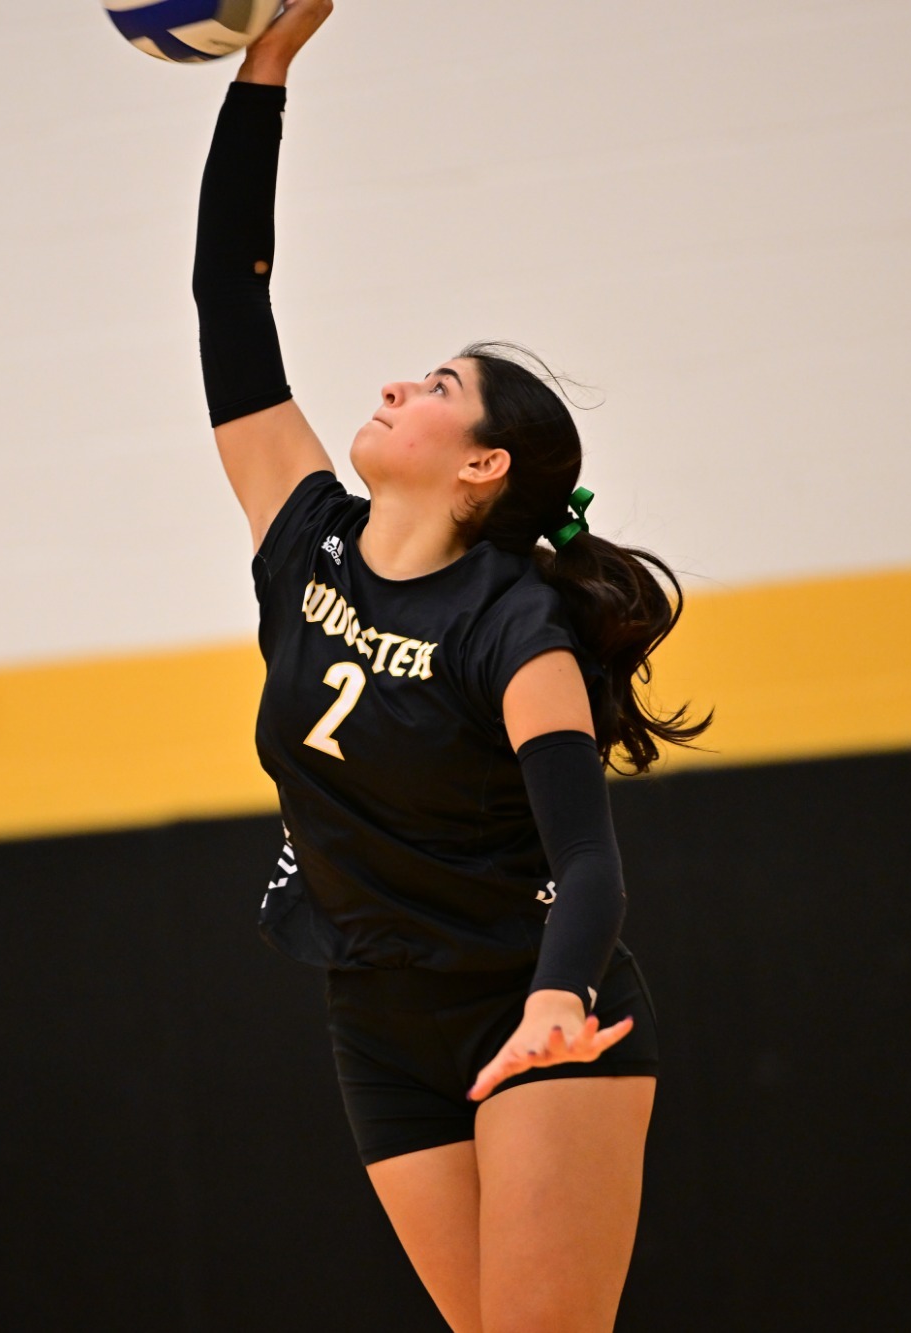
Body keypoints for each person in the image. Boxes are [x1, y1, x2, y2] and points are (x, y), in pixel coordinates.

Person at [190, 4, 709, 1329]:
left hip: (535, 1010)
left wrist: (549, 1000)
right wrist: (265, 69)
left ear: (483, 464)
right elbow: (225, 294)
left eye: (432, 384)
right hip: (378, 1014)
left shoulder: (512, 628)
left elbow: (587, 861)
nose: (395, 389)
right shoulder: (302, 534)